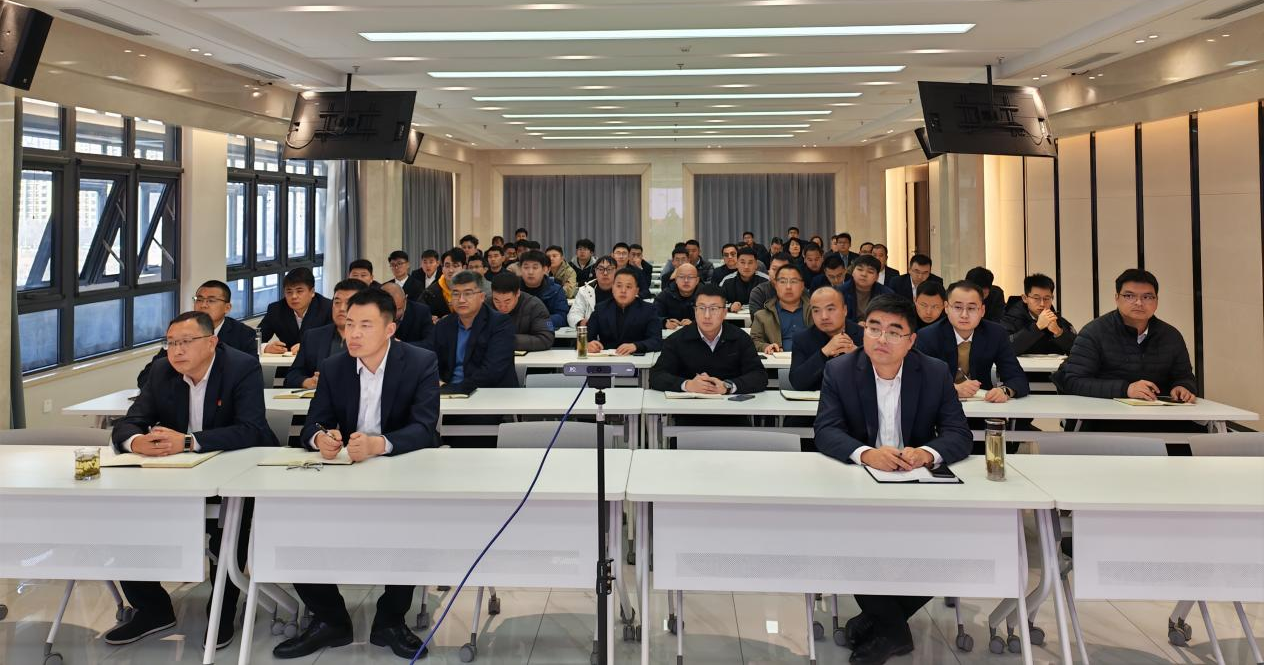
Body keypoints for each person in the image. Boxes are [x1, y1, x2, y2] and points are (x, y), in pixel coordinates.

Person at [276, 289, 440, 661]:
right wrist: (321, 439)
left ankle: (390, 621)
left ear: (389, 329)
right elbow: (312, 424)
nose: (353, 333)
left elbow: (424, 427)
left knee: (410, 530)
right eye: (350, 324)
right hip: (347, 470)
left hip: (403, 467)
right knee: (291, 522)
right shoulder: (335, 366)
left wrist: (379, 444)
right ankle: (330, 619)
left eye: (365, 325)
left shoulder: (420, 362)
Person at [813, 295, 971, 665]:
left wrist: (925, 453)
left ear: (911, 340)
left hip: (918, 484)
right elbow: (826, 430)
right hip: (859, 482)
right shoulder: (840, 370)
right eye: (874, 328)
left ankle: (883, 621)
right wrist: (867, 453)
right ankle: (892, 629)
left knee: (948, 546)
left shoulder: (933, 371)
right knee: (846, 540)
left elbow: (959, 434)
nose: (881, 338)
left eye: (894, 331)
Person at [106, 312, 277, 650]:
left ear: (212, 342)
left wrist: (188, 441)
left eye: (186, 342)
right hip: (177, 478)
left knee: (231, 522)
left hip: (236, 471)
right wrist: (137, 442)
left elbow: (252, 429)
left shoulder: (241, 367)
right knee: (123, 517)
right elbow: (129, 422)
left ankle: (222, 610)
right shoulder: (162, 371)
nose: (177, 351)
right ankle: (153, 609)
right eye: (171, 343)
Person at [1053, 268, 1197, 406]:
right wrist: (1126, 389)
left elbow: (1185, 376)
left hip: (1160, 414)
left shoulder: (1171, 336)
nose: (1139, 303)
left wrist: (1183, 387)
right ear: (1117, 298)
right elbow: (1073, 381)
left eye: (1147, 297)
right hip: (1105, 415)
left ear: (1156, 300)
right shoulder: (1094, 332)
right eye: (1129, 296)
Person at [915, 281, 1029, 403]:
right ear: (946, 308)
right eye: (958, 307)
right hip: (940, 405)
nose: (964, 315)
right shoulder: (928, 336)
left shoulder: (995, 334)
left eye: (971, 308)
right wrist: (952, 389)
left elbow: (1017, 377)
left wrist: (1004, 391)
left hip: (983, 403)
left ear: (982, 311)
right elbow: (918, 380)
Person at [649, 284, 767, 395]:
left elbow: (759, 376)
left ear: (724, 313)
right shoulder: (677, 339)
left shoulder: (740, 338)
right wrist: (687, 385)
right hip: (688, 405)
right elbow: (656, 375)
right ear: (695, 311)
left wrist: (728, 386)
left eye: (714, 309)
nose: (707, 315)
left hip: (729, 405)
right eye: (701, 308)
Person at [137, 280, 257, 387]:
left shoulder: (244, 334)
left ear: (227, 308)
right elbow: (146, 377)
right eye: (199, 300)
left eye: (211, 300)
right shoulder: (179, 332)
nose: (203, 305)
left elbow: (251, 375)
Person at [423, 271, 519, 393]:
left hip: (489, 394)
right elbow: (428, 353)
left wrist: (452, 389)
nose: (461, 300)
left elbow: (491, 372)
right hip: (448, 394)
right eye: (456, 294)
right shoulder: (444, 325)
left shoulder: (500, 324)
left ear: (482, 297)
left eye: (468, 294)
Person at [285, 279, 367, 389]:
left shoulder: (375, 338)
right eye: (337, 302)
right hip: (322, 397)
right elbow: (291, 376)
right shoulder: (313, 336)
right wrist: (308, 382)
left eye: (349, 303)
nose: (341, 308)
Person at [788, 287, 863, 391]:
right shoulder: (802, 339)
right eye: (816, 311)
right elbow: (797, 382)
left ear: (845, 310)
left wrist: (858, 355)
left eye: (830, 309)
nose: (824, 317)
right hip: (817, 399)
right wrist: (824, 352)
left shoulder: (864, 335)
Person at [586, 268, 664, 355]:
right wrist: (588, 345)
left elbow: (657, 341)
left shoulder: (649, 310)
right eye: (619, 286)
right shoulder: (601, 309)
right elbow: (585, 338)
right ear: (612, 288)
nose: (623, 291)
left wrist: (636, 346)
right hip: (607, 359)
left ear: (636, 291)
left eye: (628, 287)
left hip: (637, 360)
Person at [260, 267, 332, 353]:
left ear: (312, 292)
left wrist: (310, 346)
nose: (294, 296)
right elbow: (254, 339)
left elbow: (337, 340)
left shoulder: (328, 308)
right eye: (289, 292)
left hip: (318, 360)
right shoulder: (276, 310)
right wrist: (266, 347)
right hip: (288, 361)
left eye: (299, 291)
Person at [1002, 273, 1077, 356]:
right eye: (1036, 298)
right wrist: (1037, 327)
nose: (1042, 304)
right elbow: (1004, 349)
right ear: (1025, 298)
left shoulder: (1058, 321)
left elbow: (1079, 351)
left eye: (1046, 298)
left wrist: (1059, 332)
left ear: (1052, 298)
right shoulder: (1010, 320)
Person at [750, 263, 810, 354]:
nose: (788, 287)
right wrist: (765, 347)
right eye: (783, 282)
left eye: (793, 281)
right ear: (776, 285)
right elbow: (753, 341)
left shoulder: (816, 312)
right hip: (777, 361)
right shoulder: (762, 316)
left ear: (802, 286)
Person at [491, 273, 555, 352]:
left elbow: (546, 339)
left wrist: (509, 340)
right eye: (497, 301)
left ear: (518, 293)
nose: (502, 306)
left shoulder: (535, 306)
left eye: (507, 301)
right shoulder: (485, 305)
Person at [517, 250, 570, 329]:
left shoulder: (556, 290)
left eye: (535, 267)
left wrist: (538, 323)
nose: (530, 272)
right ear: (520, 269)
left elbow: (562, 318)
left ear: (545, 269)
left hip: (545, 331)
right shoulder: (512, 288)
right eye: (526, 267)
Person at [835, 255, 893, 323]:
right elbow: (835, 317)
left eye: (870, 272)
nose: (864, 274)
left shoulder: (886, 294)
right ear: (853, 272)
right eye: (860, 269)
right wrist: (855, 326)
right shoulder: (839, 292)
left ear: (877, 277)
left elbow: (890, 318)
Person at [568, 255, 617, 327]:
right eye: (601, 269)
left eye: (609, 269)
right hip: (591, 330)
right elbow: (573, 314)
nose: (605, 273)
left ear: (616, 271)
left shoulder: (624, 290)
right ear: (595, 271)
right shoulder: (584, 290)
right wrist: (582, 322)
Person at [422, 248, 466, 320]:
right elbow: (420, 314)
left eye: (455, 266)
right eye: (447, 266)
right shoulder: (430, 292)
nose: (451, 270)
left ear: (464, 268)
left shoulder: (472, 289)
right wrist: (430, 319)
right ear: (442, 268)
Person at [719, 247, 769, 311]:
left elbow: (775, 303)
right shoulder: (727, 281)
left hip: (760, 316)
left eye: (750, 263)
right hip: (735, 317)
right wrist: (730, 306)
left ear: (756, 265)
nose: (746, 267)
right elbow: (716, 303)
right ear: (737, 264)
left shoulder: (766, 281)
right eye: (742, 262)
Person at [654, 261, 699, 329]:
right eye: (681, 277)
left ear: (697, 280)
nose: (686, 280)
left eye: (690, 277)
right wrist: (664, 323)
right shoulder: (665, 294)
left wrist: (695, 324)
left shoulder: (705, 296)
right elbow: (652, 317)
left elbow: (713, 318)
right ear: (676, 280)